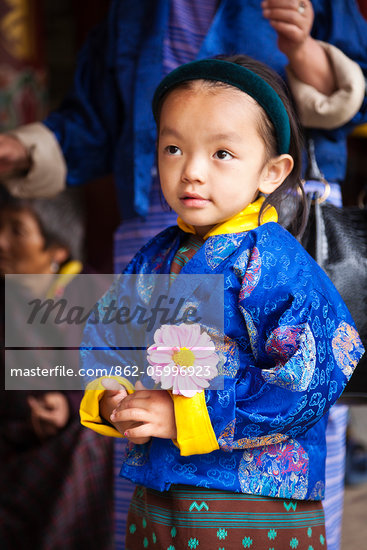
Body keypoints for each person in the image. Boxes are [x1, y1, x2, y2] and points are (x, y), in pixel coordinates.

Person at [1, 3, 367, 549]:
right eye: (173, 148)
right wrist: (110, 392)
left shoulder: (278, 264)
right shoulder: (154, 256)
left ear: (272, 171)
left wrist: (185, 414)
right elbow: (108, 337)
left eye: (222, 152)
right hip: (163, 495)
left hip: (253, 505)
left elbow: (314, 375)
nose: (191, 169)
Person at [0, 189, 114, 549]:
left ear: (57, 249)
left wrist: (66, 405)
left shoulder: (95, 295)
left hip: (66, 442)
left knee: (91, 438)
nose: (0, 242)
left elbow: (116, 376)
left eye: (16, 231)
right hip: (10, 434)